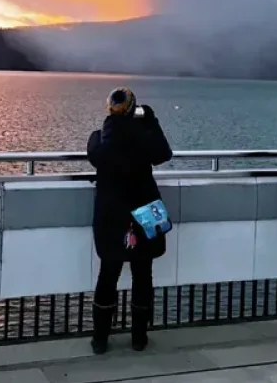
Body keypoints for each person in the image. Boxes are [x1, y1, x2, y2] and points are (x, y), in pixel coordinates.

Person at [86, 87, 173, 354]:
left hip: (111, 219)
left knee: (108, 274)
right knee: (142, 274)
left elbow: (96, 155)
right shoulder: (145, 139)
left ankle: (100, 339)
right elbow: (164, 153)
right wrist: (150, 120)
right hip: (143, 217)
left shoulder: (98, 141)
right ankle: (139, 338)